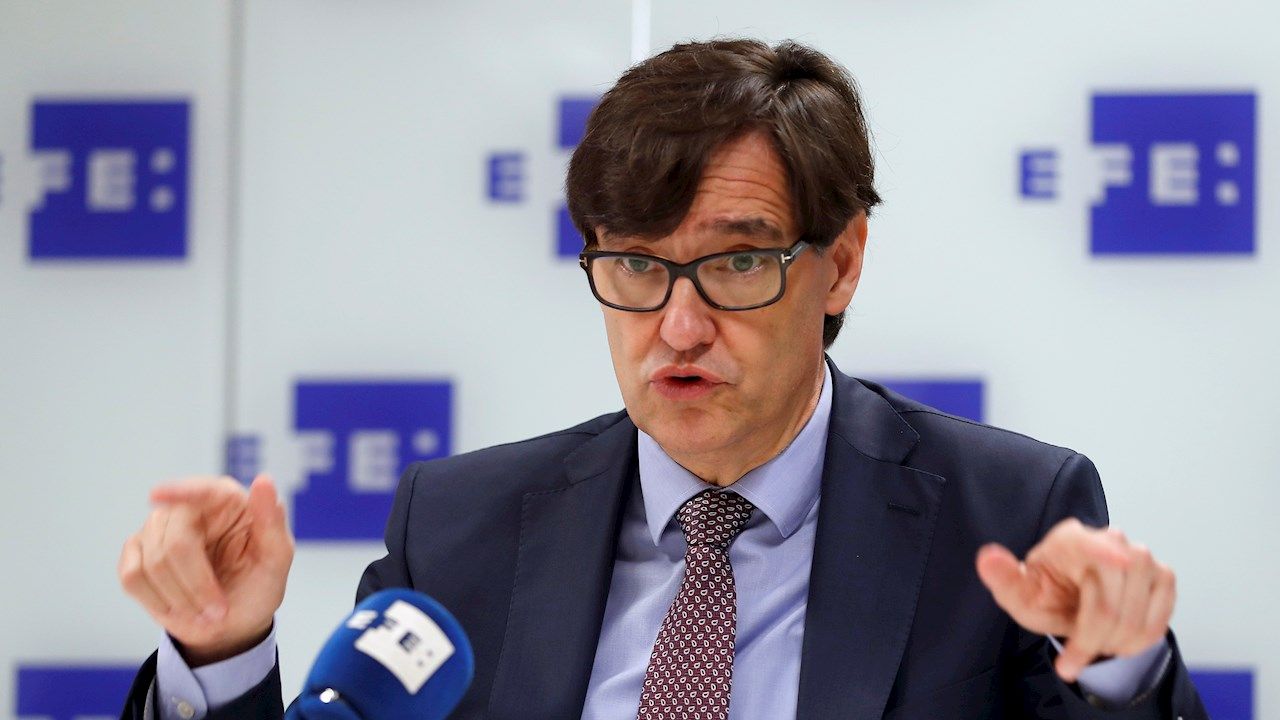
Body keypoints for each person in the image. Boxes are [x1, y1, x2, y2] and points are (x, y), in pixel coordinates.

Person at [117, 38, 1208, 719]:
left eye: (735, 263)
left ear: (839, 263)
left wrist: (1121, 674)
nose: (678, 328)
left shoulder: (1006, 513)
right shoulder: (457, 530)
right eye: (637, 265)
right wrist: (221, 651)